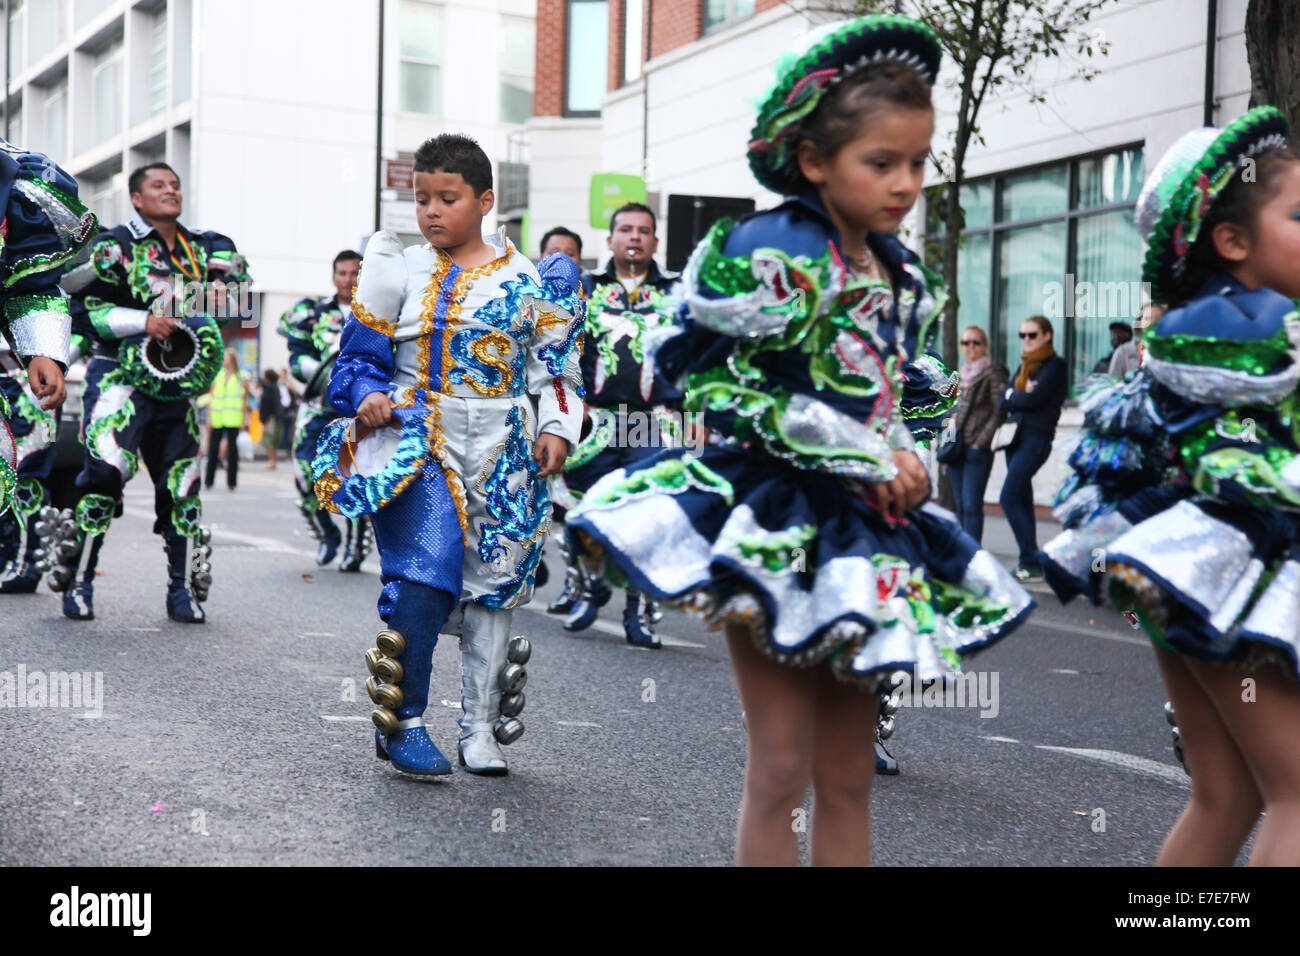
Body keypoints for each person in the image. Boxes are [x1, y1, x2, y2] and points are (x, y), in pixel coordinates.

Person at [566, 15, 1034, 865]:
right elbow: (725, 390)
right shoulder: (763, 250)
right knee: (781, 769)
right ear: (815, 161)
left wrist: (907, 458)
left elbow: (887, 389)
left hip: (868, 528)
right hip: (772, 514)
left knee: (849, 773)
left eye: (918, 162)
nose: (905, 183)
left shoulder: (899, 270)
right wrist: (864, 456)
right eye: (881, 162)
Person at [1039, 106, 1300, 865]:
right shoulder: (1252, 328)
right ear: (1232, 241)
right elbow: (1241, 463)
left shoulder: (1221, 322)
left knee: (1228, 795)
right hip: (1228, 581)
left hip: (1187, 580)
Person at [312, 133, 585, 776]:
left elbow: (557, 370)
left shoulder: (532, 278)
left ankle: (480, 729)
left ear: (485, 200)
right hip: (421, 436)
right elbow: (354, 362)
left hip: (505, 443)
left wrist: (557, 427)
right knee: (427, 567)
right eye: (422, 199)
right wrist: (371, 395)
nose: (431, 212)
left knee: (496, 584)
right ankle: (402, 722)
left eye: (448, 198)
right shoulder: (395, 267)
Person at [57, 161, 251, 623]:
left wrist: (214, 300)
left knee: (183, 484)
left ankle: (181, 591)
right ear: (137, 199)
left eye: (176, 185)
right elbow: (81, 306)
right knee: (107, 470)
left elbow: (238, 299)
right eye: (159, 185)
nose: (171, 191)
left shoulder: (205, 247)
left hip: (174, 384)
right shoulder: (114, 245)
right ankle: (79, 582)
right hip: (117, 377)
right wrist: (142, 321)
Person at [547, 202, 684, 648]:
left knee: (646, 514)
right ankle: (590, 586)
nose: (635, 237)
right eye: (626, 229)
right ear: (610, 240)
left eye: (644, 231)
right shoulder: (586, 289)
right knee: (584, 510)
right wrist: (574, 401)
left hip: (653, 423)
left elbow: (698, 355)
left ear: (655, 242)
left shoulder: (678, 292)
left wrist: (694, 412)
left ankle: (637, 611)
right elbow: (561, 346)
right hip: (598, 421)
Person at [0, 141, 97, 589]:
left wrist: (42, 349)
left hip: (19, 381)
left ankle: (25, 562)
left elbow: (27, 285)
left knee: (29, 469)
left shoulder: (12, 179)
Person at [280, 250, 372, 570]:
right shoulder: (313, 313)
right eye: (343, 273)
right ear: (333, 277)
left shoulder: (378, 312)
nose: (349, 280)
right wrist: (326, 377)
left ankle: (356, 545)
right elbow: (296, 357)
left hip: (361, 410)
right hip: (318, 406)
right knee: (305, 475)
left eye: (355, 273)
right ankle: (326, 533)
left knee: (355, 477)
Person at [997, 315, 1067, 581]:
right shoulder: (1024, 365)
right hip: (1014, 438)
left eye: (1032, 335)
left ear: (1047, 335)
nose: (1026, 340)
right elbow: (1001, 401)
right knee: (1021, 498)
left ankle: (1031, 558)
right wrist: (1017, 395)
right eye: (1022, 335)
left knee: (1008, 496)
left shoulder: (1055, 365)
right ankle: (1030, 561)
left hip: (1036, 438)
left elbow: (1035, 399)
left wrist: (1015, 396)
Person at [947, 325, 1009, 543]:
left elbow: (999, 411)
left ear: (985, 346)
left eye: (976, 342)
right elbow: (950, 411)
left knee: (972, 504)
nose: (971, 347)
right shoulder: (959, 374)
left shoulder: (994, 372)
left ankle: (974, 555)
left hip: (977, 449)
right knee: (960, 504)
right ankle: (962, 551)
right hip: (956, 447)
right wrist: (947, 441)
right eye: (966, 342)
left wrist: (980, 443)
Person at [207, 349, 249, 490]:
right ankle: (209, 481)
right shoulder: (218, 376)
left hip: (233, 418)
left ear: (232, 360)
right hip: (217, 418)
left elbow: (244, 400)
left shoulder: (240, 377)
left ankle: (232, 482)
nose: (222, 360)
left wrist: (244, 420)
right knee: (213, 450)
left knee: (233, 452)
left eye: (225, 357)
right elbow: (211, 397)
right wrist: (209, 418)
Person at [259, 368, 283, 469]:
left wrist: (263, 418)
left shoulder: (269, 389)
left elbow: (266, 405)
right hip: (275, 417)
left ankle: (272, 461)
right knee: (272, 440)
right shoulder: (275, 387)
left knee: (268, 439)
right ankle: (273, 461)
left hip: (269, 418)